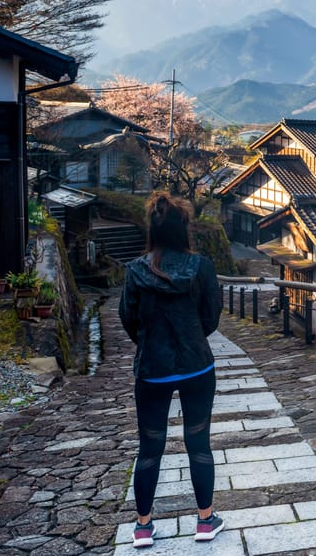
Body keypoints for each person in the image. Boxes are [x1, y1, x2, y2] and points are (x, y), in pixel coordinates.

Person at [119, 192, 223, 547]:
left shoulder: (135, 270)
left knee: (149, 449)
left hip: (152, 370)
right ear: (184, 229)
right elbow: (211, 318)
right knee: (199, 445)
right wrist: (191, 337)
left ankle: (143, 527)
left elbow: (128, 320)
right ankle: (206, 520)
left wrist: (150, 342)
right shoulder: (202, 267)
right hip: (196, 367)